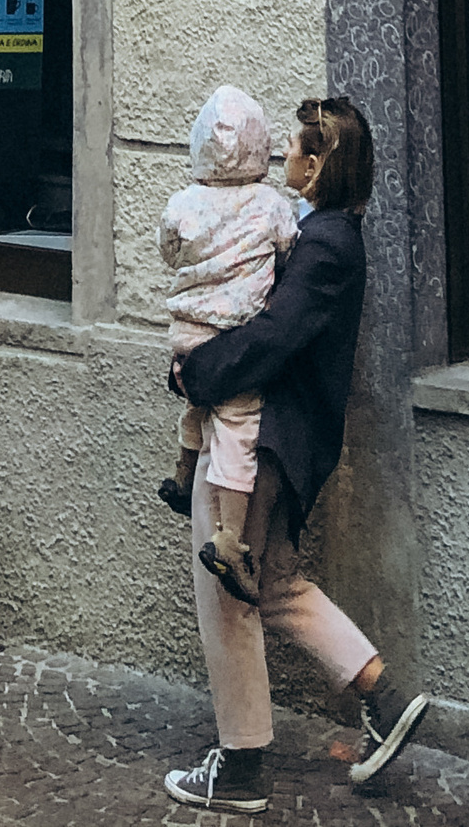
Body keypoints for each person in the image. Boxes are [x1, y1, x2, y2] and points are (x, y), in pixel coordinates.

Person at [162, 96, 431, 813]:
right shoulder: (317, 232)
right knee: (272, 581)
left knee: (228, 589)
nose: (283, 153)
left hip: (265, 437)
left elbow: (273, 336)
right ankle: (382, 694)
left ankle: (241, 766)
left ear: (316, 167)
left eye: (295, 147)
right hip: (273, 435)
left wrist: (196, 370)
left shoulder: (326, 243)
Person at [159, 86, 304, 601]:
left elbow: (169, 250)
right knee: (237, 435)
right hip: (236, 342)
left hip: (189, 337)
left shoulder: (183, 202)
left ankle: (182, 475)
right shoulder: (271, 205)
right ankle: (229, 539)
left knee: (196, 405)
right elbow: (288, 251)